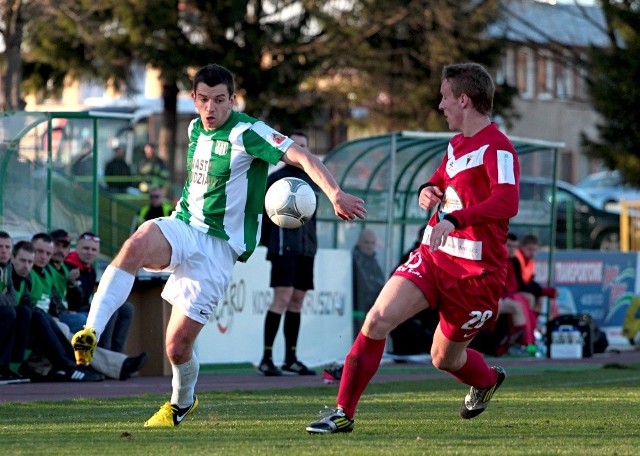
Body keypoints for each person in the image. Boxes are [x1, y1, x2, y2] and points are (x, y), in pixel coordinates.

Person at [71, 63, 365, 427]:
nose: (211, 109)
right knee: (134, 245)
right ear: (194, 99)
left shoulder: (249, 131)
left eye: (220, 100)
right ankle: (90, 331)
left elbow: (303, 156)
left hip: (218, 249)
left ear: (233, 99)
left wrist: (334, 193)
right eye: (204, 100)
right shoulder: (195, 127)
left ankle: (181, 403)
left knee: (177, 347)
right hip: (183, 226)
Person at [306, 62, 520, 434]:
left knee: (443, 358)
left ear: (465, 100)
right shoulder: (455, 144)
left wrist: (456, 219)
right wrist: (428, 188)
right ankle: (343, 413)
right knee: (376, 320)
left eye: (445, 97)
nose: (441, 105)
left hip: (476, 275)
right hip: (434, 257)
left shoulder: (499, 148)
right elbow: (441, 179)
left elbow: (508, 202)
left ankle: (486, 380)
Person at [258, 131, 319, 377]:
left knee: (297, 301)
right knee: (281, 299)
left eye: (305, 146)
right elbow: (262, 215)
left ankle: (291, 358)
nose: (301, 151)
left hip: (306, 249)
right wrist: (267, 243)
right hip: (284, 249)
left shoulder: (314, 178)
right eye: (297, 146)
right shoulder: (276, 180)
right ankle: (266, 358)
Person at [12, 240, 105, 382]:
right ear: (14, 258)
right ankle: (68, 366)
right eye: (40, 252)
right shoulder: (17, 275)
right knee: (58, 322)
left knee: (45, 317)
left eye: (47, 253)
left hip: (39, 320)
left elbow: (59, 301)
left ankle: (75, 365)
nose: (43, 256)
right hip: (22, 325)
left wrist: (73, 286)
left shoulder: (48, 272)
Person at [65, 232, 134, 353]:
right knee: (109, 310)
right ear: (77, 248)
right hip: (72, 310)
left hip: (85, 306)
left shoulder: (90, 270)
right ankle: (104, 353)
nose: (89, 252)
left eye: (93, 249)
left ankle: (117, 355)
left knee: (127, 308)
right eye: (86, 248)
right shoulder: (68, 266)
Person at [0, 232, 30, 383]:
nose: (4, 250)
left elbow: (12, 298)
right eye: (0, 247)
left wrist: (4, 298)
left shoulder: (7, 269)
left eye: (7, 247)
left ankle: (12, 367)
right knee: (9, 313)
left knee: (24, 312)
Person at [351, 229, 385, 337]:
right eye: (366, 242)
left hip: (370, 308)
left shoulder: (372, 260)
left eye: (372, 243)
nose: (369, 246)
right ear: (359, 242)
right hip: (358, 309)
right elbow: (366, 286)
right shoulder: (355, 259)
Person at [512, 234, 558, 315]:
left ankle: (533, 324)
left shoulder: (530, 262)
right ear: (522, 247)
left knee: (540, 298)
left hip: (520, 289)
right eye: (530, 249)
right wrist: (542, 291)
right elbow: (519, 284)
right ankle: (528, 324)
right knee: (530, 297)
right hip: (513, 290)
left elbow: (529, 281)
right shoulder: (515, 259)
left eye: (535, 250)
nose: (532, 253)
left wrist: (542, 291)